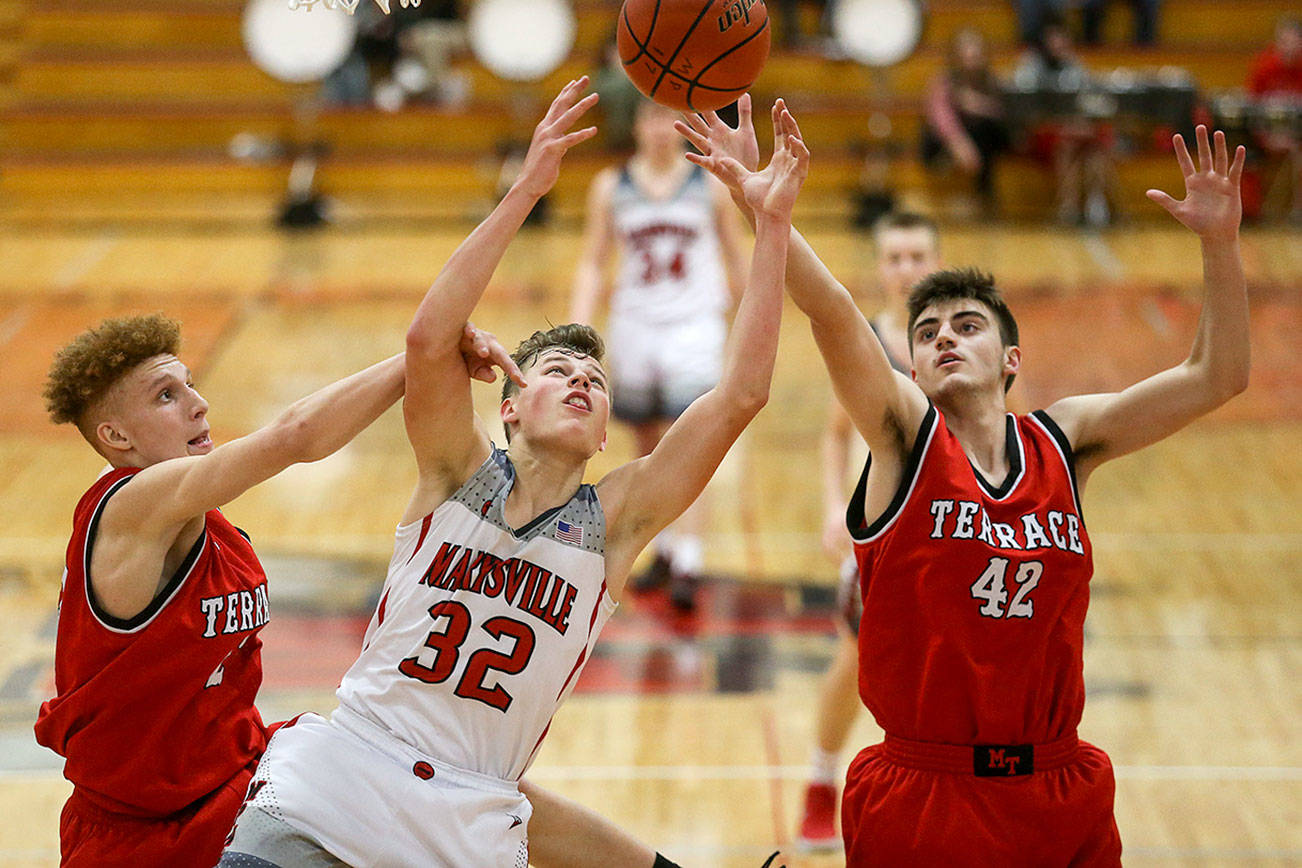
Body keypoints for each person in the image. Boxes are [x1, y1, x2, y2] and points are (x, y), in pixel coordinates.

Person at [219, 77, 808, 866]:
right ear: (508, 406)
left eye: (595, 382)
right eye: (559, 370)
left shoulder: (616, 523)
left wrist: (770, 223)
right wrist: (526, 189)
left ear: (605, 434)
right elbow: (429, 340)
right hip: (344, 776)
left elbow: (741, 395)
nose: (580, 383)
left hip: (469, 814)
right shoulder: (455, 472)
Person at [681, 104, 1249, 864]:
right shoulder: (904, 434)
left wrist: (1220, 244)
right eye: (927, 331)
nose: (945, 334)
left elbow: (1218, 376)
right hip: (926, 788)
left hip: (1057, 786)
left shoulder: (1067, 439)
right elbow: (833, 313)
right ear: (911, 368)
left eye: (968, 324)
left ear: (1011, 359)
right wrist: (769, 216)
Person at [32, 309, 526, 865]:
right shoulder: (130, 507)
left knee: (469, 794)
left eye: (190, 384)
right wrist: (423, 356)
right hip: (136, 831)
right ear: (116, 435)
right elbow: (296, 436)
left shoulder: (210, 521)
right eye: (166, 396)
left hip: (241, 787)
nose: (199, 403)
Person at [795, 212, 941, 850]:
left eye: (917, 256)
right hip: (876, 532)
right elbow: (833, 435)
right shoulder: (868, 341)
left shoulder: (959, 340)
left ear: (936, 261)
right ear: (880, 267)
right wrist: (834, 507)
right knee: (856, 662)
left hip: (946, 530)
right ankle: (820, 782)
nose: (907, 268)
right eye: (896, 257)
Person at [569, 97, 748, 610]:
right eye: (649, 117)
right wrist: (577, 329)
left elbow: (738, 259)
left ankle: (690, 559)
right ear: (637, 124)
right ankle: (665, 550)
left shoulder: (708, 183)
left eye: (671, 120)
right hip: (635, 324)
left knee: (688, 441)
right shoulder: (611, 186)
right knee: (646, 442)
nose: (661, 129)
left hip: (694, 326)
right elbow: (592, 262)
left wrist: (748, 328)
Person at [1014, 17, 1117, 226]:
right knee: (1067, 145)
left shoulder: (1074, 65)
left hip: (1073, 130)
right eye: (1053, 38)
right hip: (1041, 134)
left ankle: (1095, 202)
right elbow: (1024, 107)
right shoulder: (1030, 66)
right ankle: (1068, 205)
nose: (1058, 43)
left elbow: (1089, 101)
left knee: (1094, 146)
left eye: (1062, 37)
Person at [921, 29, 1011, 213]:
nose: (971, 59)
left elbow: (1006, 113)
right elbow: (940, 116)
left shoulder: (993, 82)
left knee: (986, 129)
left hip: (983, 144)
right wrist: (958, 141)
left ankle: (981, 196)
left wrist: (978, 105)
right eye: (966, 53)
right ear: (957, 56)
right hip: (952, 143)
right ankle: (949, 183)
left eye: (975, 53)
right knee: (929, 132)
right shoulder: (945, 82)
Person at [1243, 15, 1302, 221]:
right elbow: (1252, 111)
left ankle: (1298, 211)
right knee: (1242, 150)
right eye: (1283, 41)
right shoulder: (1264, 67)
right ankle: (1250, 211)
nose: (1287, 46)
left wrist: (1292, 141)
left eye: (1293, 40)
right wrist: (1267, 139)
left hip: (1296, 138)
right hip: (1266, 134)